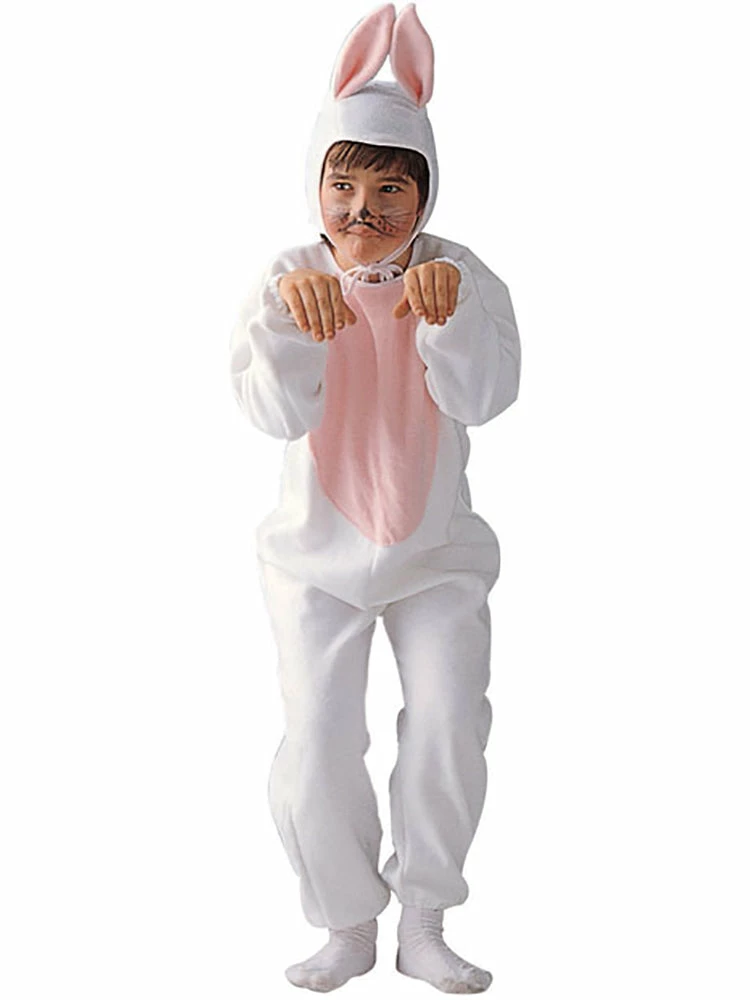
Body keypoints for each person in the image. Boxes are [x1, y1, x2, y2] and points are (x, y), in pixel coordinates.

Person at [228, 3, 521, 993]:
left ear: (424, 190)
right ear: (316, 187)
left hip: (436, 555)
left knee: (447, 723)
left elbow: (484, 399)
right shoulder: (289, 278)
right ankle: (348, 921)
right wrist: (288, 329)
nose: (364, 209)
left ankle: (425, 919)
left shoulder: (460, 274)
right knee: (317, 740)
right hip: (314, 557)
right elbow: (270, 413)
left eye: (391, 185)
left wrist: (447, 322)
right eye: (343, 184)